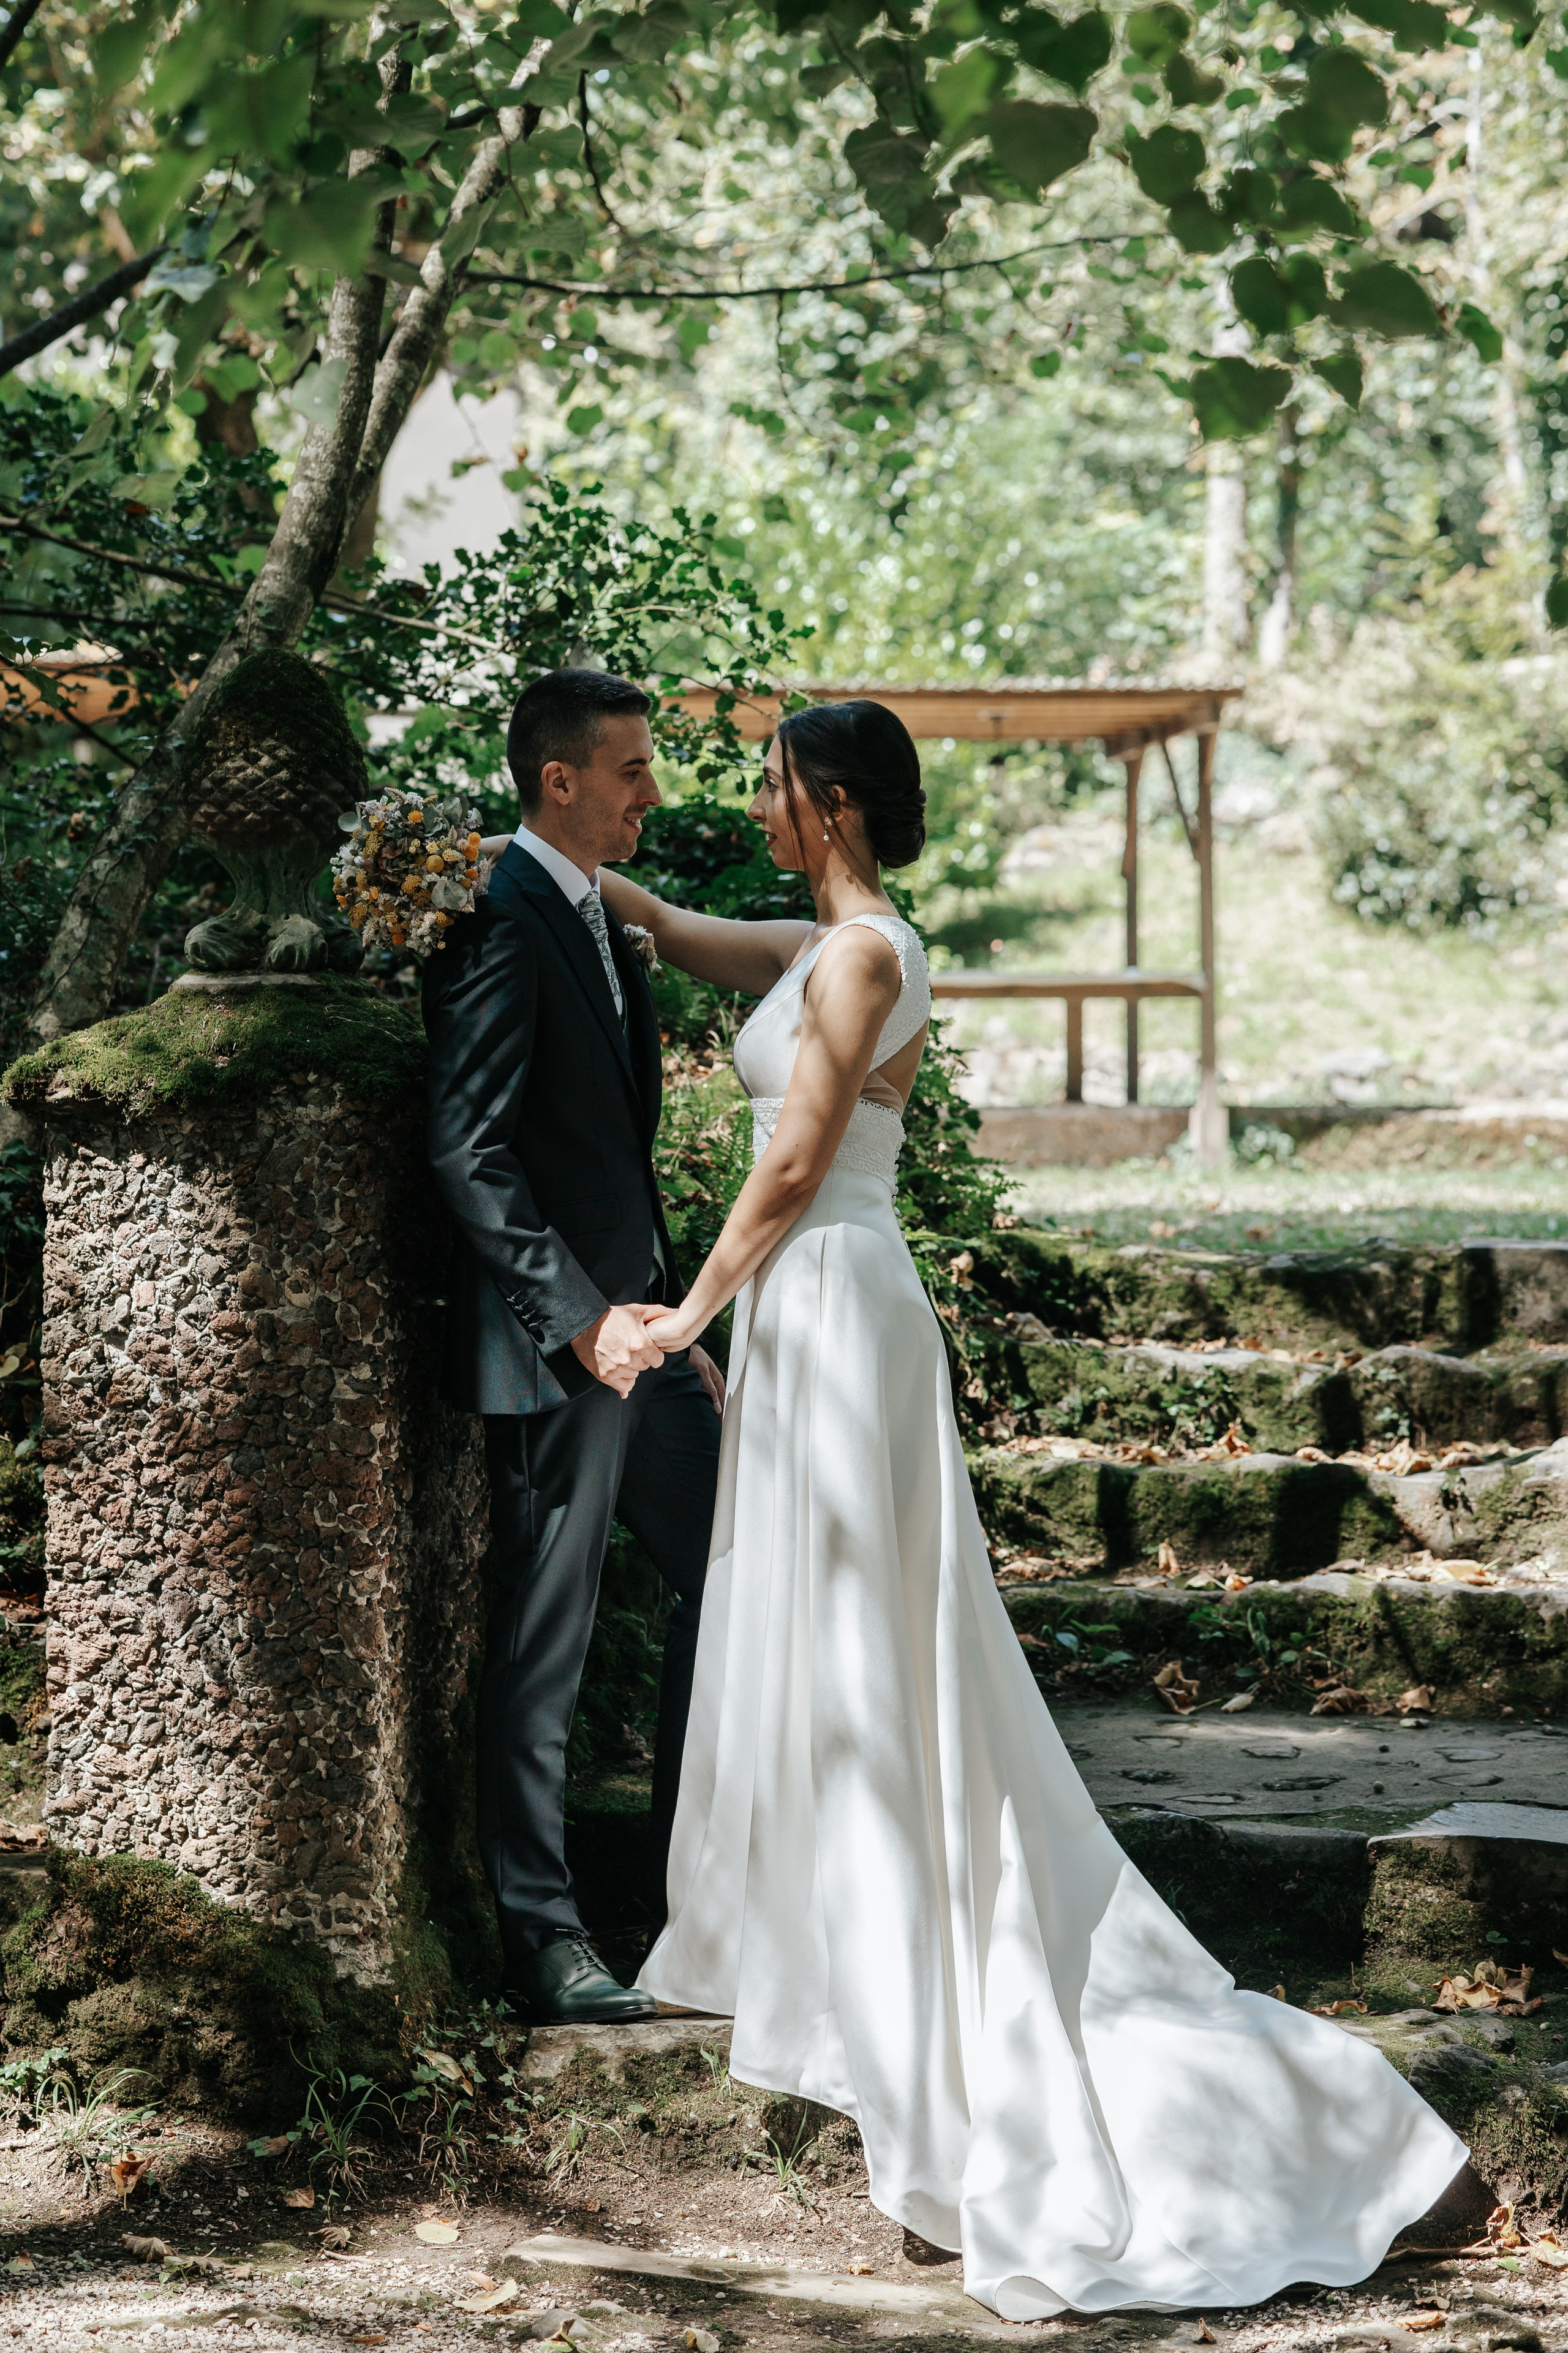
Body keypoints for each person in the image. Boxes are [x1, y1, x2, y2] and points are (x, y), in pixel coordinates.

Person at [596, 698, 1468, 2319]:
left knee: (866, 1637)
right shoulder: (816, 941)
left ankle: (901, 1957)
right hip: (811, 1313)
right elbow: (681, 932)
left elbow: (793, 1164)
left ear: (834, 802)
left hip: (839, 1299)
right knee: (806, 1614)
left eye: (776, 785)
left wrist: (682, 1314)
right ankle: (802, 1920)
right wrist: (556, 872)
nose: (755, 804)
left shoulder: (866, 963)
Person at [423, 668, 723, 2026]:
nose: (650, 792)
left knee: (742, 1561)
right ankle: (547, 1940)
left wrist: (668, 1318)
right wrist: (584, 1318)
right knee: (547, 1643)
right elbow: (470, 1150)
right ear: (559, 779)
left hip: (641, 1334)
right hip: (558, 1348)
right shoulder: (500, 911)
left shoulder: (591, 909)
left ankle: (701, 1892)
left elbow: (608, 1152)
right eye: (630, 771)